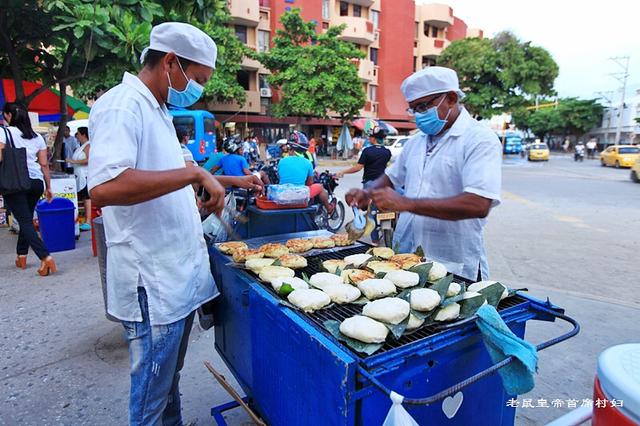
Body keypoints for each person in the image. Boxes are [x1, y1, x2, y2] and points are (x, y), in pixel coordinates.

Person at [87, 22, 262, 426]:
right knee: (150, 396)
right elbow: (105, 187)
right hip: (152, 280)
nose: (197, 89)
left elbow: (181, 169)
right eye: (197, 79)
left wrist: (220, 181)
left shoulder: (159, 109)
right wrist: (192, 177)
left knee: (167, 384)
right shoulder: (122, 105)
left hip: (176, 275)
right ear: (170, 62)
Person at [345, 66, 502, 281]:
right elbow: (391, 177)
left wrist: (406, 203)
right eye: (414, 109)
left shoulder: (479, 139)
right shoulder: (417, 142)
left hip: (453, 262)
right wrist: (369, 192)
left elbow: (479, 203)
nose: (419, 115)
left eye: (424, 106)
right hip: (407, 257)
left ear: (451, 98)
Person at [0, 102, 57, 276]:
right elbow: (44, 165)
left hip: (15, 183)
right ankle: (21, 255)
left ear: (9, 116)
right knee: (26, 219)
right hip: (36, 183)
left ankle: (45, 257)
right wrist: (48, 187)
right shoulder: (37, 137)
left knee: (24, 221)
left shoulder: (4, 132)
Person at [337, 125, 391, 244]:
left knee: (370, 212)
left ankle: (375, 241)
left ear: (373, 138)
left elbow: (358, 167)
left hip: (370, 184)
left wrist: (343, 172)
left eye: (370, 137)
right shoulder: (387, 152)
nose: (369, 139)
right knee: (382, 208)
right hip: (383, 184)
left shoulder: (367, 151)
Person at [278, 136, 334, 214]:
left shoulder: (281, 161)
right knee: (320, 187)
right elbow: (309, 184)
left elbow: (280, 178)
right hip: (299, 196)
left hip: (283, 194)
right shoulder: (308, 163)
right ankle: (329, 208)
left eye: (289, 149)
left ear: (292, 150)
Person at [66, 126, 92, 231]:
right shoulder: (80, 146)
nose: (77, 137)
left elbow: (88, 160)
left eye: (78, 134)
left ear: (83, 135)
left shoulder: (88, 146)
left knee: (87, 198)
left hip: (84, 175)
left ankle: (88, 221)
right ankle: (84, 219)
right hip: (78, 174)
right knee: (83, 198)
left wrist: (73, 162)